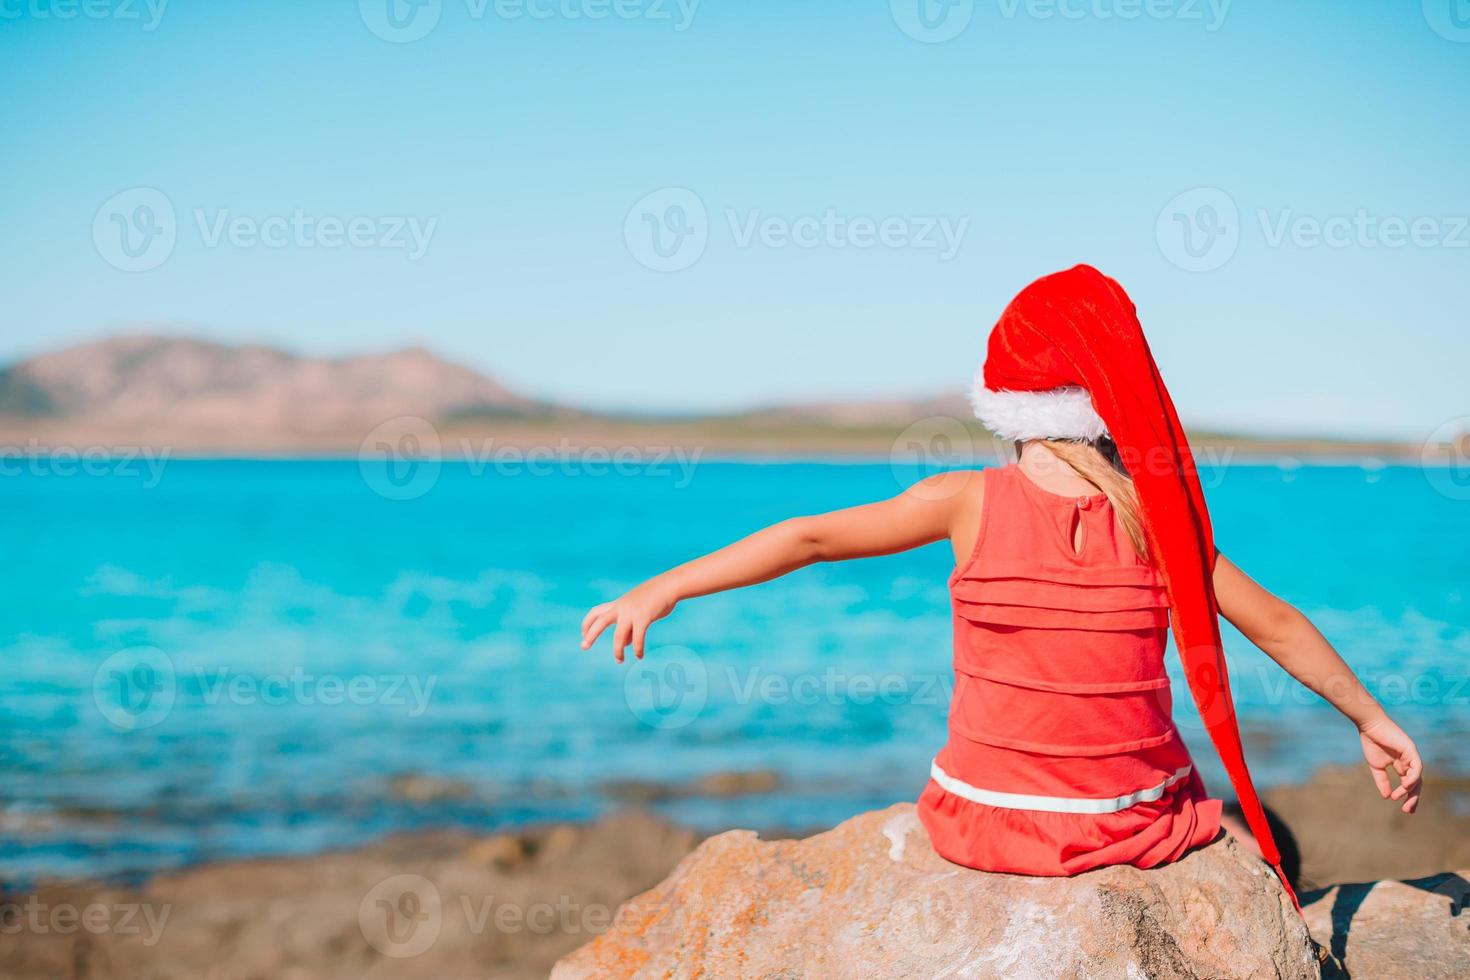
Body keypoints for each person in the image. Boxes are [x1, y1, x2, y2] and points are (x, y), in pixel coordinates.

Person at [580, 264, 1422, 910]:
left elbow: (809, 538)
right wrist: (1373, 718)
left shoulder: (963, 501)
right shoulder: (1157, 525)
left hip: (979, 823)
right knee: (1250, 825)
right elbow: (1276, 624)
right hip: (1119, 824)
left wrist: (664, 588)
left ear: (1008, 403)